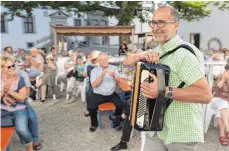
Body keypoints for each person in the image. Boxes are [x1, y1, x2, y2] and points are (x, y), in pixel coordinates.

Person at [122, 6, 212, 151]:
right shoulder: (157, 50)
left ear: (176, 24)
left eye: (162, 22)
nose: (156, 27)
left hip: (180, 133)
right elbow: (126, 62)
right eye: (153, 22)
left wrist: (163, 90)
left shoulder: (185, 54)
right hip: (154, 129)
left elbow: (206, 95)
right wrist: (139, 56)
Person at [1, 57, 34, 151]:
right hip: (2, 109)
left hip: (18, 108)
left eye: (13, 66)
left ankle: (30, 147)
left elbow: (22, 97)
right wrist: (3, 94)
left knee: (22, 129)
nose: (12, 68)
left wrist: (10, 92)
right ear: (2, 68)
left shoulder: (20, 79)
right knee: (3, 134)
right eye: (9, 67)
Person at [88, 52, 124, 132]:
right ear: (98, 61)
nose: (104, 61)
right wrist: (101, 76)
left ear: (108, 59)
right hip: (98, 94)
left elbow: (120, 82)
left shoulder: (114, 68)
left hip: (111, 94)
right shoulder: (94, 71)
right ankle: (94, 124)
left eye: (105, 59)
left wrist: (114, 76)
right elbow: (94, 85)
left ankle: (116, 124)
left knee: (120, 105)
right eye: (101, 60)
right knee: (91, 107)